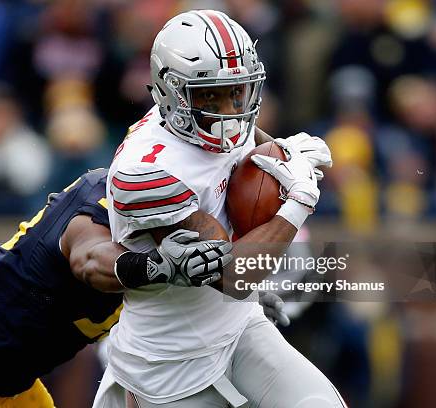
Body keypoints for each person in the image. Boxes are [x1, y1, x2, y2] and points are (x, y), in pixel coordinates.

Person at [94, 10, 345, 407]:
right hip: (170, 362)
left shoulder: (218, 123)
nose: (230, 111)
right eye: (210, 95)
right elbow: (232, 276)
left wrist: (288, 152)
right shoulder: (147, 169)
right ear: (170, 93)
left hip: (237, 325)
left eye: (237, 91)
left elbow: (253, 147)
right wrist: (297, 202)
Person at [0, 168, 234, 408]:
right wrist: (160, 265)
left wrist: (237, 300)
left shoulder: (180, 244)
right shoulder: (105, 202)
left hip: (11, 387)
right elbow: (91, 260)